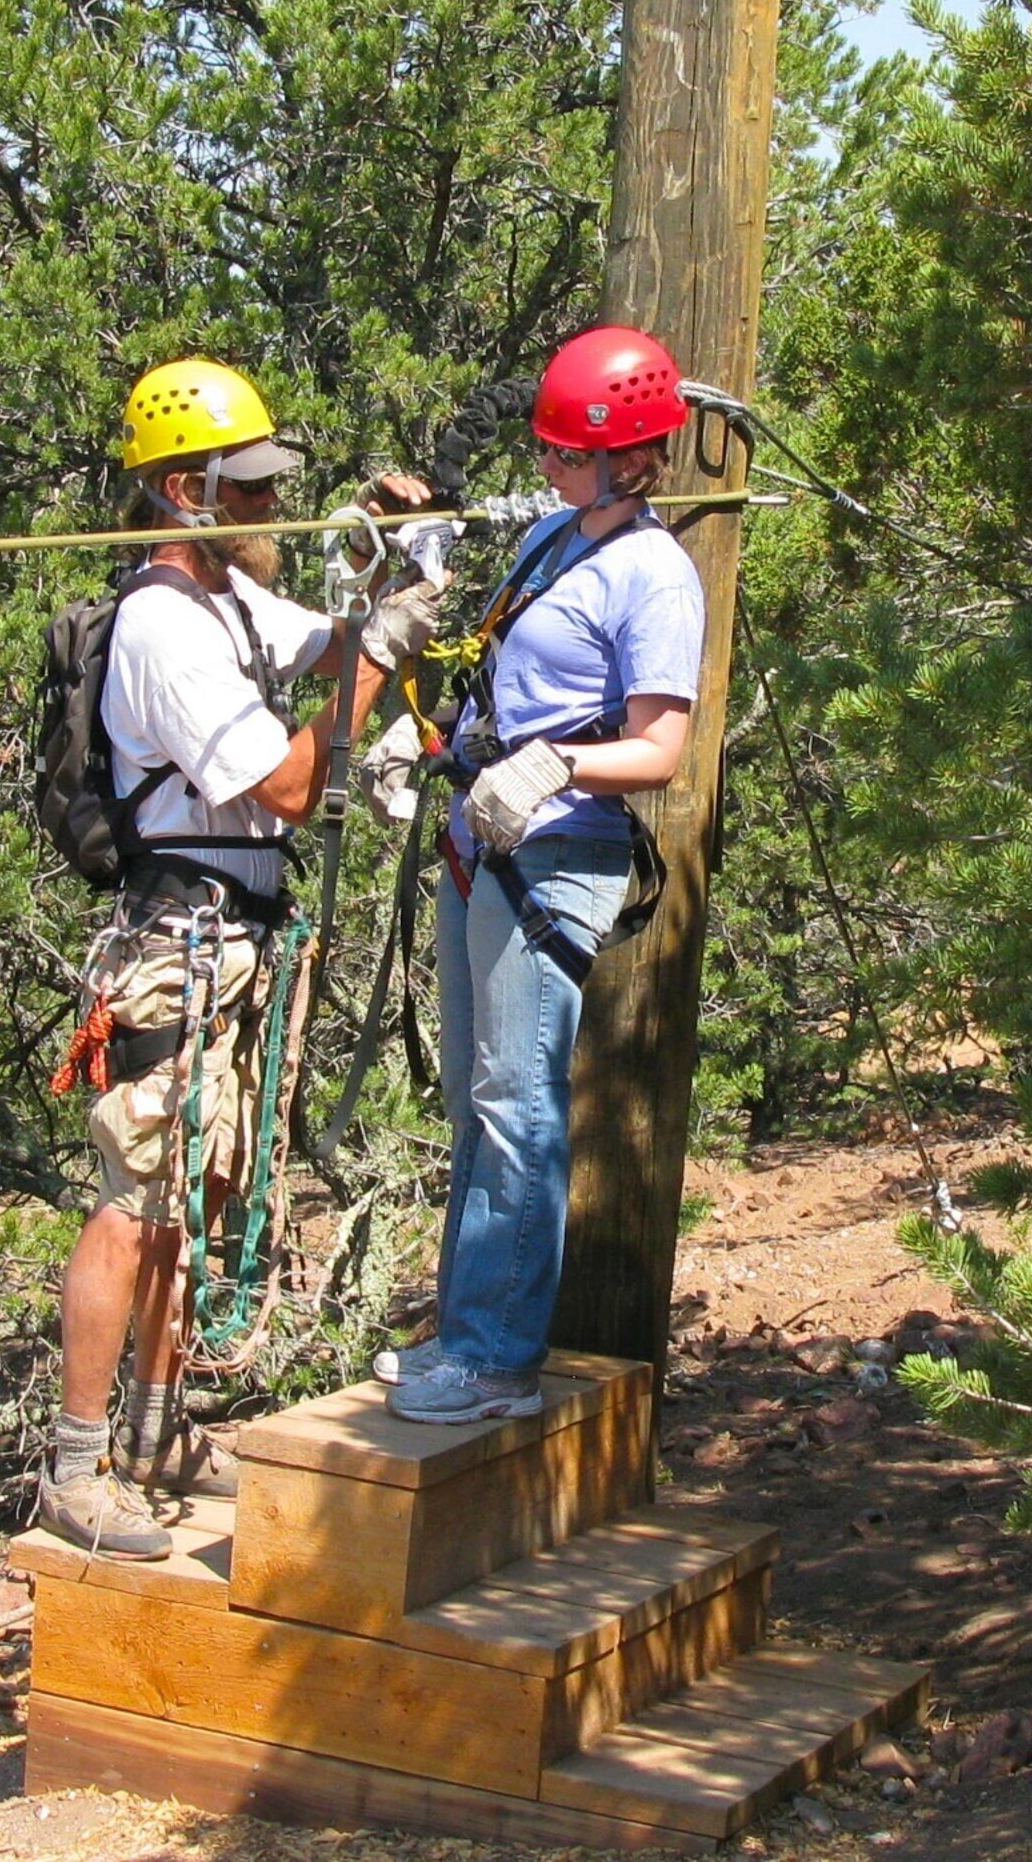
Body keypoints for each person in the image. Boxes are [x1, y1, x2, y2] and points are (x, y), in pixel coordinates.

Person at [42, 357, 438, 1554]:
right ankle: (74, 1464)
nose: (270, 509)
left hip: (233, 936)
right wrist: (380, 650)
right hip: (180, 934)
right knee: (135, 1197)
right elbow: (285, 777)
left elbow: (328, 645)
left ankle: (160, 1429)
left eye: (271, 488)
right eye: (249, 489)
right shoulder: (166, 626)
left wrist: (396, 570)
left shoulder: (225, 598)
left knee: (195, 1190)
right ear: (181, 494)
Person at [391, 327, 706, 1425]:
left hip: (557, 849)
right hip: (485, 839)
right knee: (478, 1096)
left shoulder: (654, 574)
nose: (551, 470)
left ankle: (498, 1362)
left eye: (569, 456)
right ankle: (467, 1331)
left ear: (630, 458)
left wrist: (559, 762)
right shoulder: (551, 540)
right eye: (546, 451)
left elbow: (659, 748)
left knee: (520, 1099)